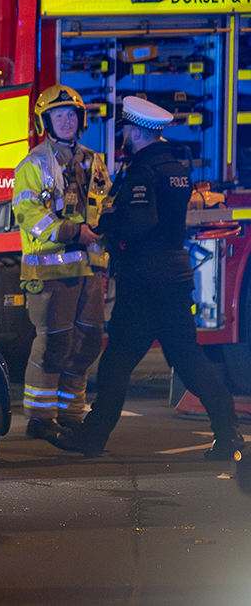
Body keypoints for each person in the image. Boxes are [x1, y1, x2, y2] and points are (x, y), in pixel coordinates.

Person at [57, 96, 244, 460]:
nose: (123, 135)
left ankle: (92, 438)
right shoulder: (174, 166)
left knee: (117, 362)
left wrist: (107, 226)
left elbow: (142, 222)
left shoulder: (143, 170)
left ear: (137, 132)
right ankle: (228, 433)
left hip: (145, 283)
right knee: (189, 360)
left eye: (126, 129)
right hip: (173, 279)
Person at [13, 85, 109, 445]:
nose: (67, 121)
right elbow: (29, 215)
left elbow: (105, 203)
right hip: (51, 272)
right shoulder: (34, 164)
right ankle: (40, 419)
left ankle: (71, 415)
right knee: (54, 345)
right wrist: (73, 232)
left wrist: (105, 229)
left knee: (86, 344)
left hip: (89, 269)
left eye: (72, 115)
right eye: (59, 115)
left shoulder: (93, 161)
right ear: (46, 121)